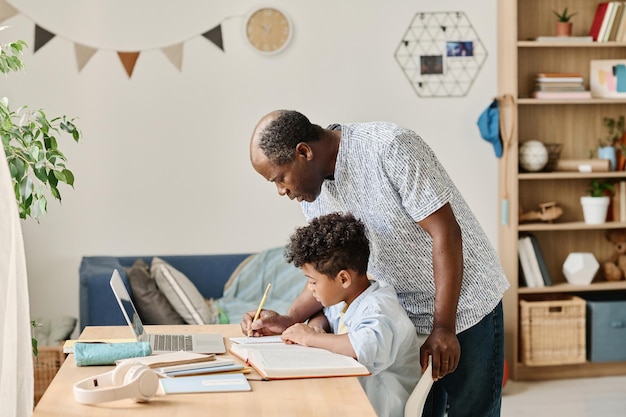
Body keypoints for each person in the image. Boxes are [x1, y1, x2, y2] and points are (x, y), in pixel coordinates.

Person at [243, 109, 510, 417]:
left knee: (473, 411)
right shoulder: (313, 193)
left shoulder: (389, 147)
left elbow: (445, 233)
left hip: (463, 308)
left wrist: (444, 327)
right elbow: (327, 272)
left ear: (303, 152)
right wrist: (290, 320)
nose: (281, 191)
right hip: (400, 319)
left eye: (280, 179)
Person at [281, 212, 421, 417]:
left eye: (312, 281)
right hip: (352, 398)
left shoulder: (378, 307)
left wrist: (311, 337)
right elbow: (326, 314)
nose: (310, 289)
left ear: (343, 279)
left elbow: (363, 346)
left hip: (378, 409)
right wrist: (317, 325)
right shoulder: (350, 297)